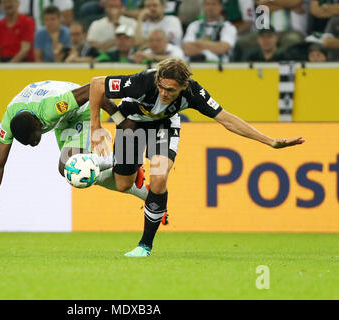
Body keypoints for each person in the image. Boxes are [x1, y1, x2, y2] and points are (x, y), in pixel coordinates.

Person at [88, 57, 305, 257]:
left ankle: (145, 245)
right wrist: (96, 126)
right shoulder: (143, 81)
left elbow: (227, 119)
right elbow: (97, 84)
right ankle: (143, 185)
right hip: (131, 125)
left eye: (170, 90)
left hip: (164, 127)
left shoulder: (194, 93)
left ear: (184, 86)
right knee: (123, 184)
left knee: (159, 176)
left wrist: (270, 141)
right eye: (161, 87)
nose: (164, 93)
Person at [0, 81, 148, 238]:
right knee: (71, 172)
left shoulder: (52, 109)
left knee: (74, 168)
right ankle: (143, 191)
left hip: (81, 112)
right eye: (29, 143)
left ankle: (123, 159)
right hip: (63, 120)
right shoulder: (9, 121)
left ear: (38, 123)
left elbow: (93, 89)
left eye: (35, 139)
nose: (34, 145)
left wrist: (119, 120)